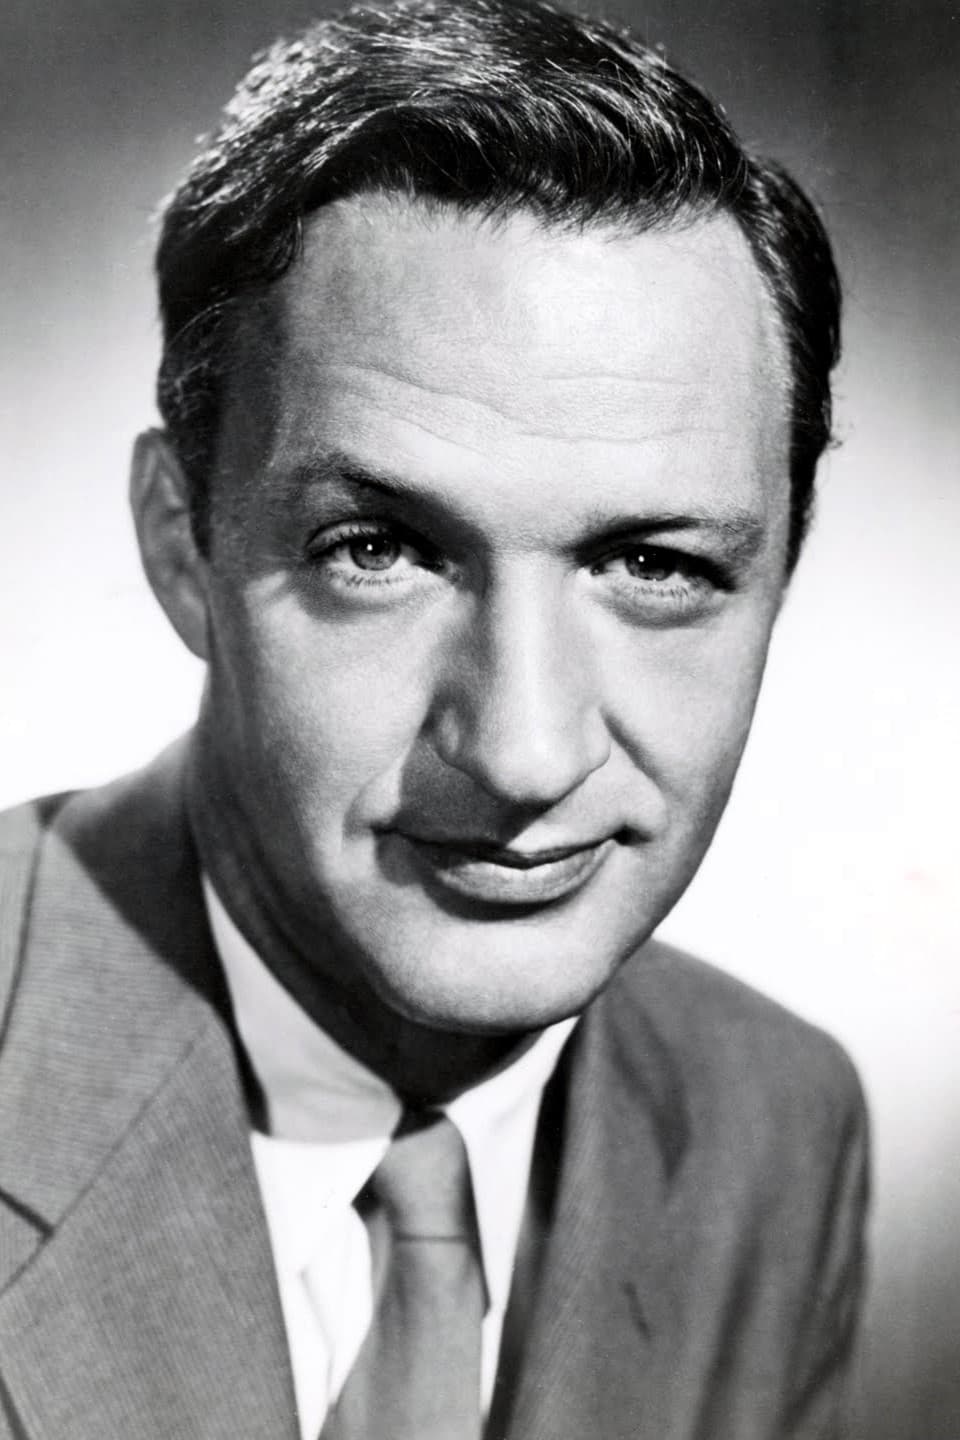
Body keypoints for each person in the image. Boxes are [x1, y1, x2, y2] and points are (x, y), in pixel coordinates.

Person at [0, 1, 869, 1436]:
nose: (525, 753)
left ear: (782, 567)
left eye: (655, 567)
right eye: (379, 551)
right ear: (180, 546)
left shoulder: (777, 1126)